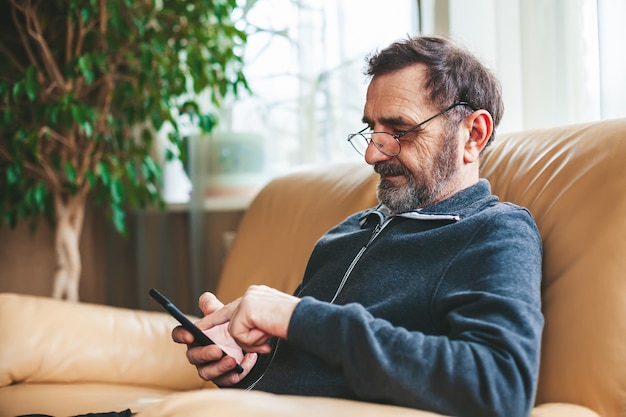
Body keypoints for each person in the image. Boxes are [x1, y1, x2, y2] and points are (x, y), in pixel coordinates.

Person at [172, 35, 543, 417]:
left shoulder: (494, 231)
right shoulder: (345, 234)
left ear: (473, 134)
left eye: (399, 131)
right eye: (371, 129)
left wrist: (297, 316)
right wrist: (241, 366)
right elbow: (307, 371)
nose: (372, 153)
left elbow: (499, 386)